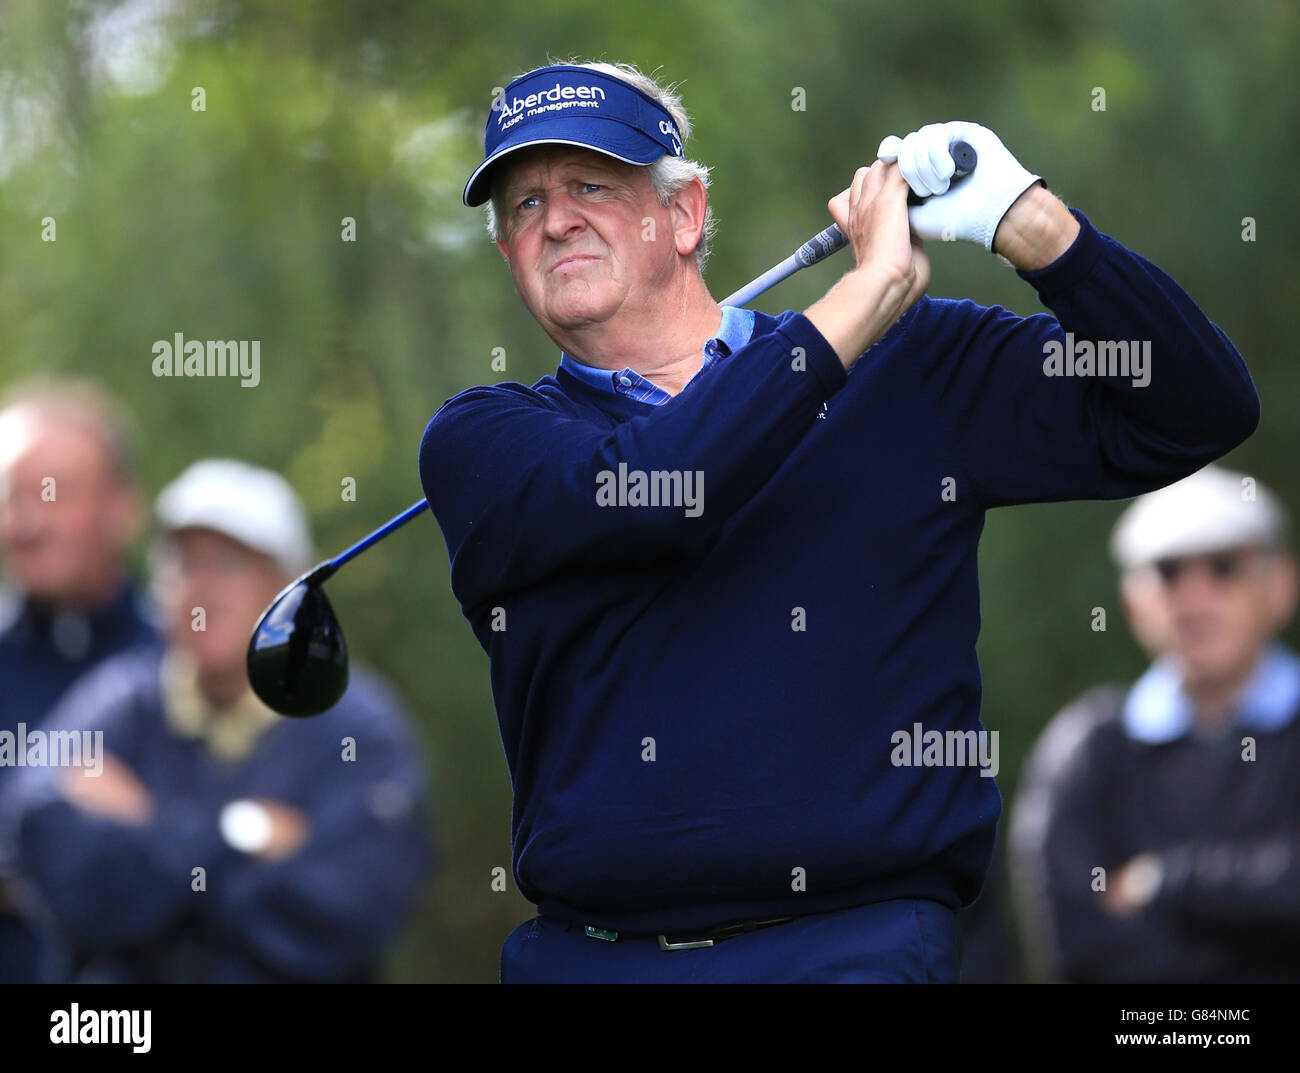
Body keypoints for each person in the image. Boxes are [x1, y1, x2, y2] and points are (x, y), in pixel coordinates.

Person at [418, 59, 1260, 983]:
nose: (557, 219)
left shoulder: (911, 368)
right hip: (591, 959)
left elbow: (1197, 407)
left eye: (590, 185)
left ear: (687, 212)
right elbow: (667, 490)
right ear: (506, 252)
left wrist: (1035, 226)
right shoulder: (484, 442)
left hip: (855, 949)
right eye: (524, 205)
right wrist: (865, 293)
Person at [0, 459, 434, 982]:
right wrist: (241, 837)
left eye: (227, 565)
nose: (200, 590)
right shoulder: (114, 701)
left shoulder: (358, 727)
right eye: (182, 565)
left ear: (289, 588)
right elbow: (50, 855)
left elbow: (343, 914)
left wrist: (148, 829)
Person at [1009, 466, 1300, 983]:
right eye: (1167, 572)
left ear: (1280, 586)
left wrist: (1164, 881)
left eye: (1223, 566)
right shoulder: (1087, 746)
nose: (1193, 600)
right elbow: (1074, 940)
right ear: (1132, 603)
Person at [0, 382, 160, 982]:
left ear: (122, 509)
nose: (26, 522)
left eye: (54, 493)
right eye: (12, 496)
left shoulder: (183, 665)